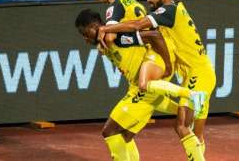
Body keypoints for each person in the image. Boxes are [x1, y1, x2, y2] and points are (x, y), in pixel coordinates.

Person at [97, 0, 216, 161]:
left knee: (182, 126)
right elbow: (145, 34)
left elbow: (137, 24)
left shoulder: (169, 10)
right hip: (201, 74)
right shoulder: (168, 16)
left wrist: (106, 27)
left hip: (197, 75)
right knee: (196, 135)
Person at [75, 9, 180, 161]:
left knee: (109, 131)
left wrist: (168, 64)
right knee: (125, 136)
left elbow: (154, 36)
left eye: (86, 33)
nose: (85, 39)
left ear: (95, 26)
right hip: (137, 87)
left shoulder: (117, 37)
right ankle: (184, 108)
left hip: (144, 86)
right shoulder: (106, 43)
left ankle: (187, 102)